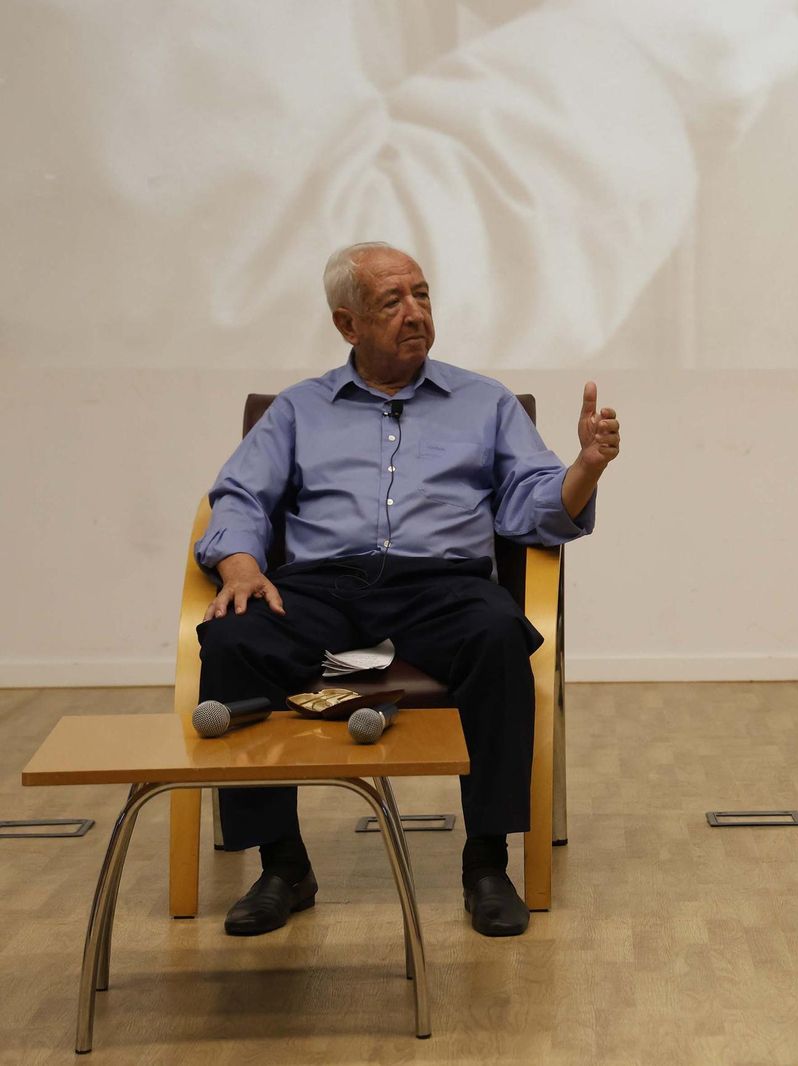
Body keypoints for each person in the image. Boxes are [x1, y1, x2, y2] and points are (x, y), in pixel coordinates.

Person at [194, 242, 620, 938]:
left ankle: (486, 861)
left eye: (421, 295)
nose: (415, 313)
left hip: (439, 585)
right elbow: (241, 493)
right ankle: (283, 865)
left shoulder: (483, 402)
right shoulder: (301, 409)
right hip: (322, 585)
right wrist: (239, 563)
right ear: (347, 324)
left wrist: (586, 468)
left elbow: (533, 506)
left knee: (498, 633)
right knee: (235, 636)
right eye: (392, 302)